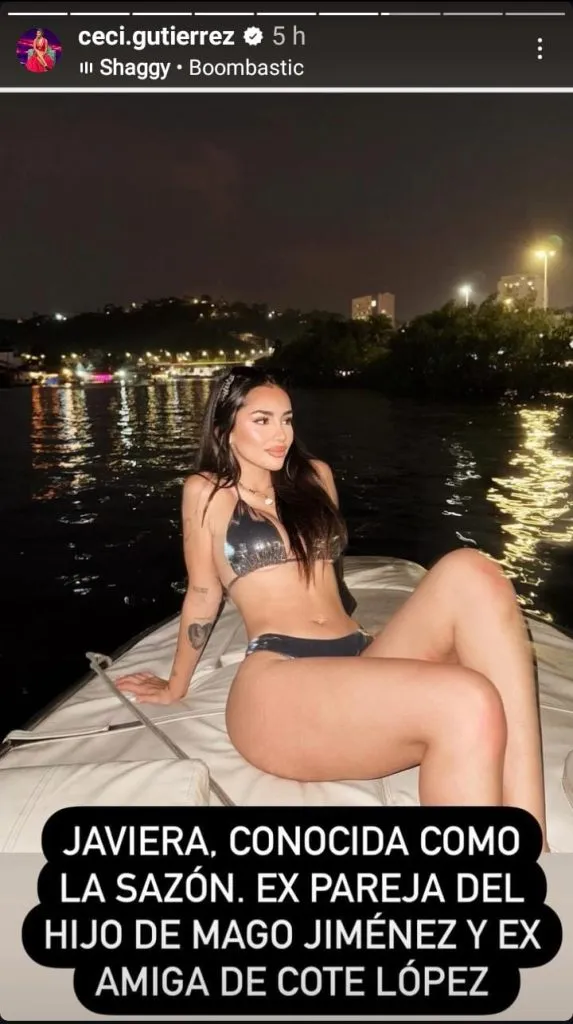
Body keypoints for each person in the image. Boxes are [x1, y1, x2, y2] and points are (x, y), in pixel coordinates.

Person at [115, 365, 549, 851]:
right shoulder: (207, 491)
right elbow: (202, 593)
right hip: (279, 682)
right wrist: (175, 685)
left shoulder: (315, 477)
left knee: (473, 569)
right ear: (225, 428)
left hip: (356, 656)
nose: (281, 435)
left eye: (287, 419)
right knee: (467, 698)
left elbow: (331, 580)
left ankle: (535, 840)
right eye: (262, 420)